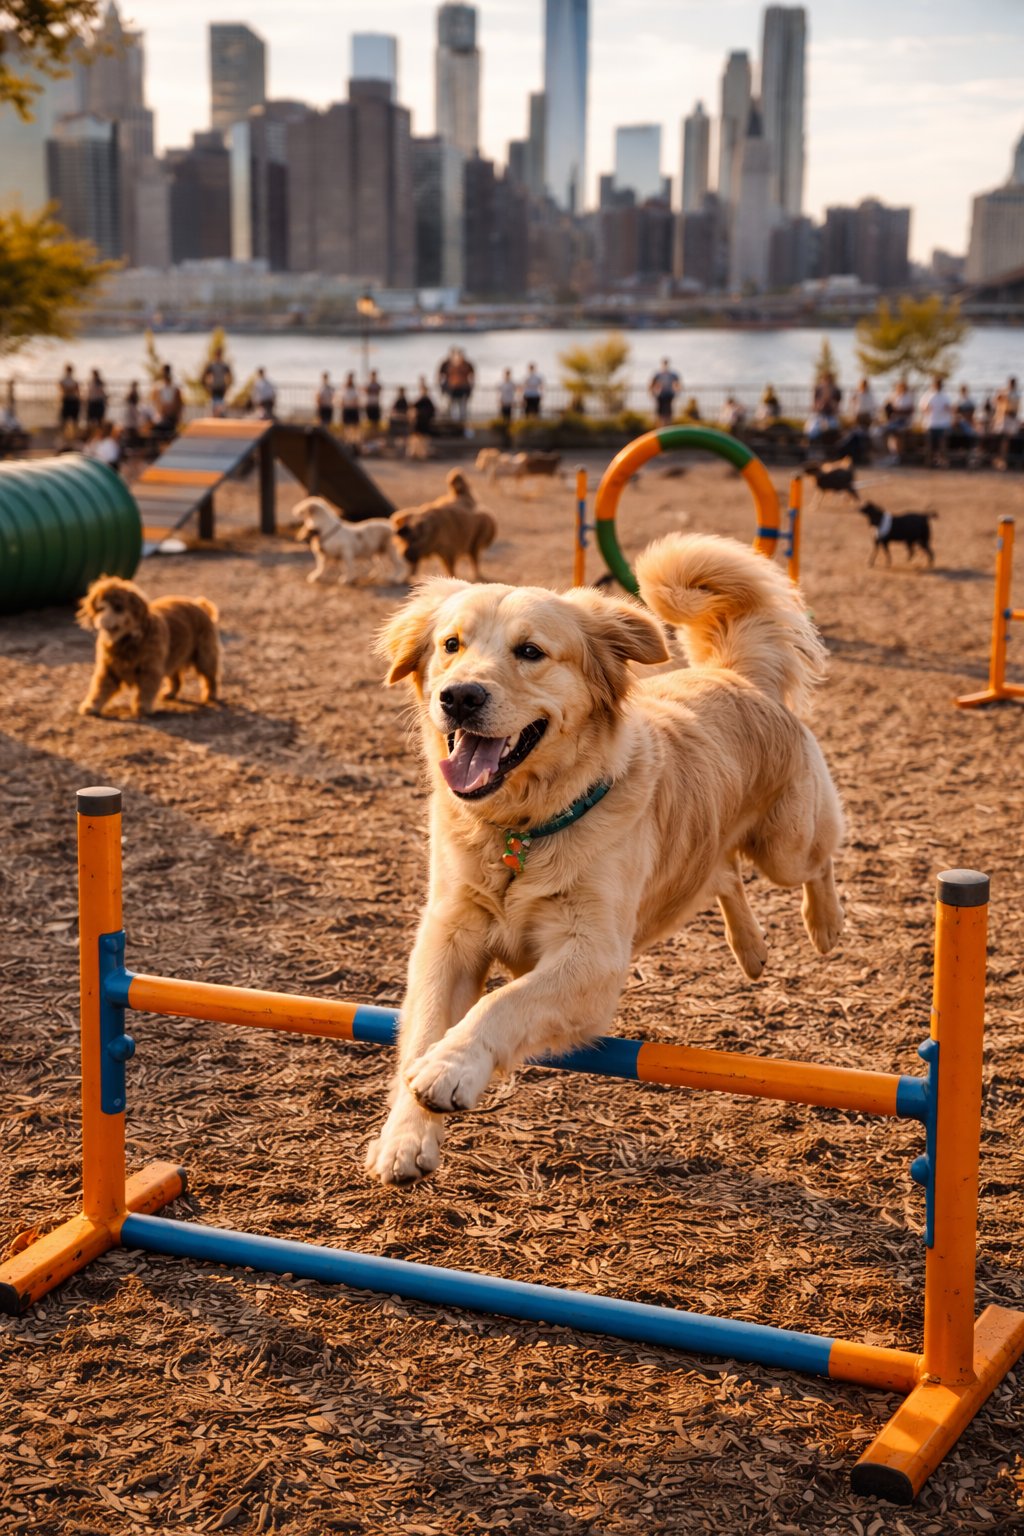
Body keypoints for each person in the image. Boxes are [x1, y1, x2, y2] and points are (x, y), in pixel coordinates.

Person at [918, 375, 953, 467]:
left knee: (941, 444)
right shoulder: (929, 395)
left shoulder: (944, 396)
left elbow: (950, 408)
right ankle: (931, 462)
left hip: (941, 424)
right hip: (931, 424)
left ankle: (941, 461)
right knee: (931, 444)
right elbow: (923, 408)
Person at [151, 364, 183, 440]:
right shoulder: (158, 388)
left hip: (171, 417)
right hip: (161, 417)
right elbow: (155, 403)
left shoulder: (175, 389)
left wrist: (176, 415)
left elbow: (179, 404)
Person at [201, 346, 233, 416]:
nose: (218, 355)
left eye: (220, 354)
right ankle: (215, 415)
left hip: (222, 388)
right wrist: (207, 387)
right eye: (218, 354)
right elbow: (203, 376)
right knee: (214, 405)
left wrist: (227, 387)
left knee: (221, 405)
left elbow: (231, 377)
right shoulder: (212, 365)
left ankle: (220, 415)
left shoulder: (224, 365)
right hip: (214, 388)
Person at [445, 348, 475, 423]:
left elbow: (472, 376)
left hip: (463, 388)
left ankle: (462, 421)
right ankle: (455, 422)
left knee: (463, 406)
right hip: (453, 388)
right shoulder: (450, 365)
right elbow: (445, 376)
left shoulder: (467, 365)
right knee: (454, 406)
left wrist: (471, 386)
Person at [649, 358, 681, 425]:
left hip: (669, 395)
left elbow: (677, 384)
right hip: (660, 395)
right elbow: (652, 384)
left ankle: (668, 426)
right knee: (660, 412)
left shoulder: (672, 374)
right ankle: (661, 426)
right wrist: (652, 393)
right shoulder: (658, 374)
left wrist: (677, 392)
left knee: (668, 412)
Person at [59, 364, 81, 440]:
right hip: (68, 400)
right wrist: (72, 389)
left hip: (70, 400)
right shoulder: (70, 380)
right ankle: (66, 436)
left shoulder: (69, 380)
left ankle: (72, 436)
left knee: (71, 420)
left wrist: (68, 390)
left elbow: (65, 389)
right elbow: (64, 389)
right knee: (66, 420)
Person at [340, 372, 361, 442]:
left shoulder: (355, 388)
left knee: (355, 426)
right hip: (346, 409)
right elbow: (342, 399)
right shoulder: (344, 388)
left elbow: (357, 399)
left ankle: (355, 440)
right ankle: (347, 440)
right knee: (346, 426)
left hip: (353, 409)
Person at [389, 387, 410, 452]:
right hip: (398, 421)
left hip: (401, 421)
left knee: (402, 437)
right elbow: (393, 410)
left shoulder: (404, 401)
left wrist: (399, 415)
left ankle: (401, 449)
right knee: (398, 437)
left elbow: (406, 413)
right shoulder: (398, 400)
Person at [498, 368, 516, 436]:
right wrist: (500, 401)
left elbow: (514, 393)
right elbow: (499, 393)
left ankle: (509, 433)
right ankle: (503, 432)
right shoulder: (501, 383)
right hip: (503, 402)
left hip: (509, 402)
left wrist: (513, 401)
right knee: (503, 418)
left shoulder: (512, 383)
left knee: (509, 418)